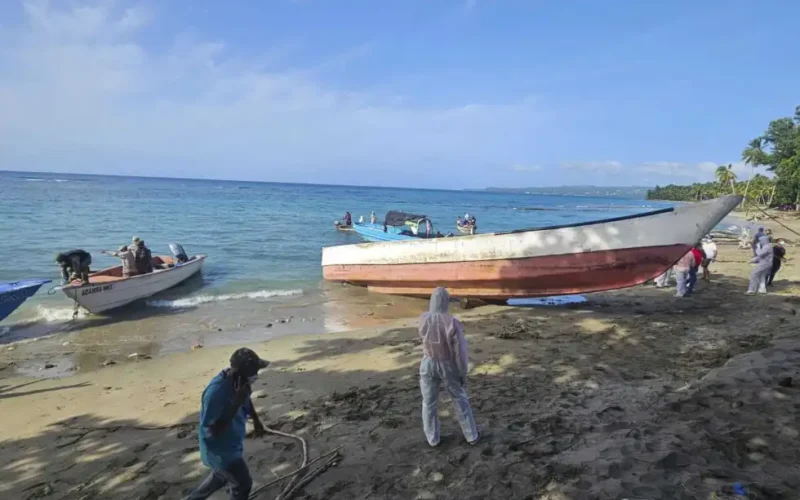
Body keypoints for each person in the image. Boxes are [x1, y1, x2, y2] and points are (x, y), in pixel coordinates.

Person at [186, 348, 269, 500]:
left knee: (221, 476)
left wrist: (257, 421)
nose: (255, 376)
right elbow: (213, 431)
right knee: (242, 484)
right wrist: (236, 403)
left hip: (232, 442)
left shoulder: (240, 383)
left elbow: (247, 399)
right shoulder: (215, 394)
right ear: (241, 373)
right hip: (220, 451)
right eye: (253, 373)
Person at [419, 287, 479, 447]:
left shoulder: (423, 318)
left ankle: (432, 438)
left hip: (427, 361)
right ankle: (471, 435)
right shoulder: (452, 322)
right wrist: (462, 372)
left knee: (428, 401)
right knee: (459, 398)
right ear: (446, 301)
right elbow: (460, 352)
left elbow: (423, 337)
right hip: (447, 364)